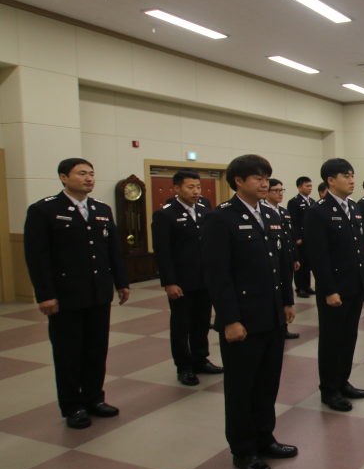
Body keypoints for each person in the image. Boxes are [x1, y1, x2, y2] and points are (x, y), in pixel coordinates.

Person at [201, 154, 298, 469]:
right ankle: (243, 450)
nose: (264, 183)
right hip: (242, 319)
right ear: (238, 181)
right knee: (241, 388)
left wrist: (287, 301)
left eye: (267, 177)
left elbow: (281, 263)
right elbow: (218, 275)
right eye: (257, 177)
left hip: (271, 316)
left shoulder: (269, 214)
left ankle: (264, 438)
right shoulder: (220, 218)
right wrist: (229, 319)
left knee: (267, 383)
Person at [23, 158, 130, 429]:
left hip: (98, 293)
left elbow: (112, 250)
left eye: (91, 173)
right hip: (66, 295)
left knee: (96, 350)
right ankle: (73, 406)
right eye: (82, 173)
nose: (89, 178)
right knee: (68, 354)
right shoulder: (44, 210)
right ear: (63, 177)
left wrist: (121, 282)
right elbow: (37, 257)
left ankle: (94, 399)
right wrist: (45, 294)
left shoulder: (101, 209)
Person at [306, 159, 364, 412]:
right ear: (331, 180)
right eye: (346, 176)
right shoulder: (318, 211)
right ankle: (329, 389)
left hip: (354, 285)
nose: (352, 180)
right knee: (332, 340)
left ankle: (343, 380)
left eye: (353, 175)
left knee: (348, 337)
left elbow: (358, 247)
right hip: (335, 288)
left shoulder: (353, 207)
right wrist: (329, 290)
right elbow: (318, 256)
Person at [151, 169, 223, 386]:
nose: (196, 191)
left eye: (198, 187)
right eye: (190, 187)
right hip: (181, 280)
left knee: (201, 322)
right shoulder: (165, 215)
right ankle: (184, 366)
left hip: (204, 279)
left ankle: (200, 359)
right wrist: (169, 282)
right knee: (181, 325)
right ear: (176, 188)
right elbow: (162, 252)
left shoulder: (205, 210)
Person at [263, 179, 300, 340]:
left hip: (286, 259)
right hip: (273, 260)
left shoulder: (283, 212)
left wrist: (294, 257)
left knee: (286, 291)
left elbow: (290, 237)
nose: (280, 194)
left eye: (281, 190)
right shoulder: (264, 212)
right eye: (276, 190)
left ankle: (284, 327)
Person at [287, 176, 316, 299]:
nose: (310, 188)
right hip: (300, 239)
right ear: (299, 187)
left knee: (308, 264)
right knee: (301, 264)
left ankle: (307, 286)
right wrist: (296, 237)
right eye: (307, 186)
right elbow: (293, 222)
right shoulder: (294, 202)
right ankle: (300, 288)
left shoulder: (312, 201)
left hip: (310, 239)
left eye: (311, 186)